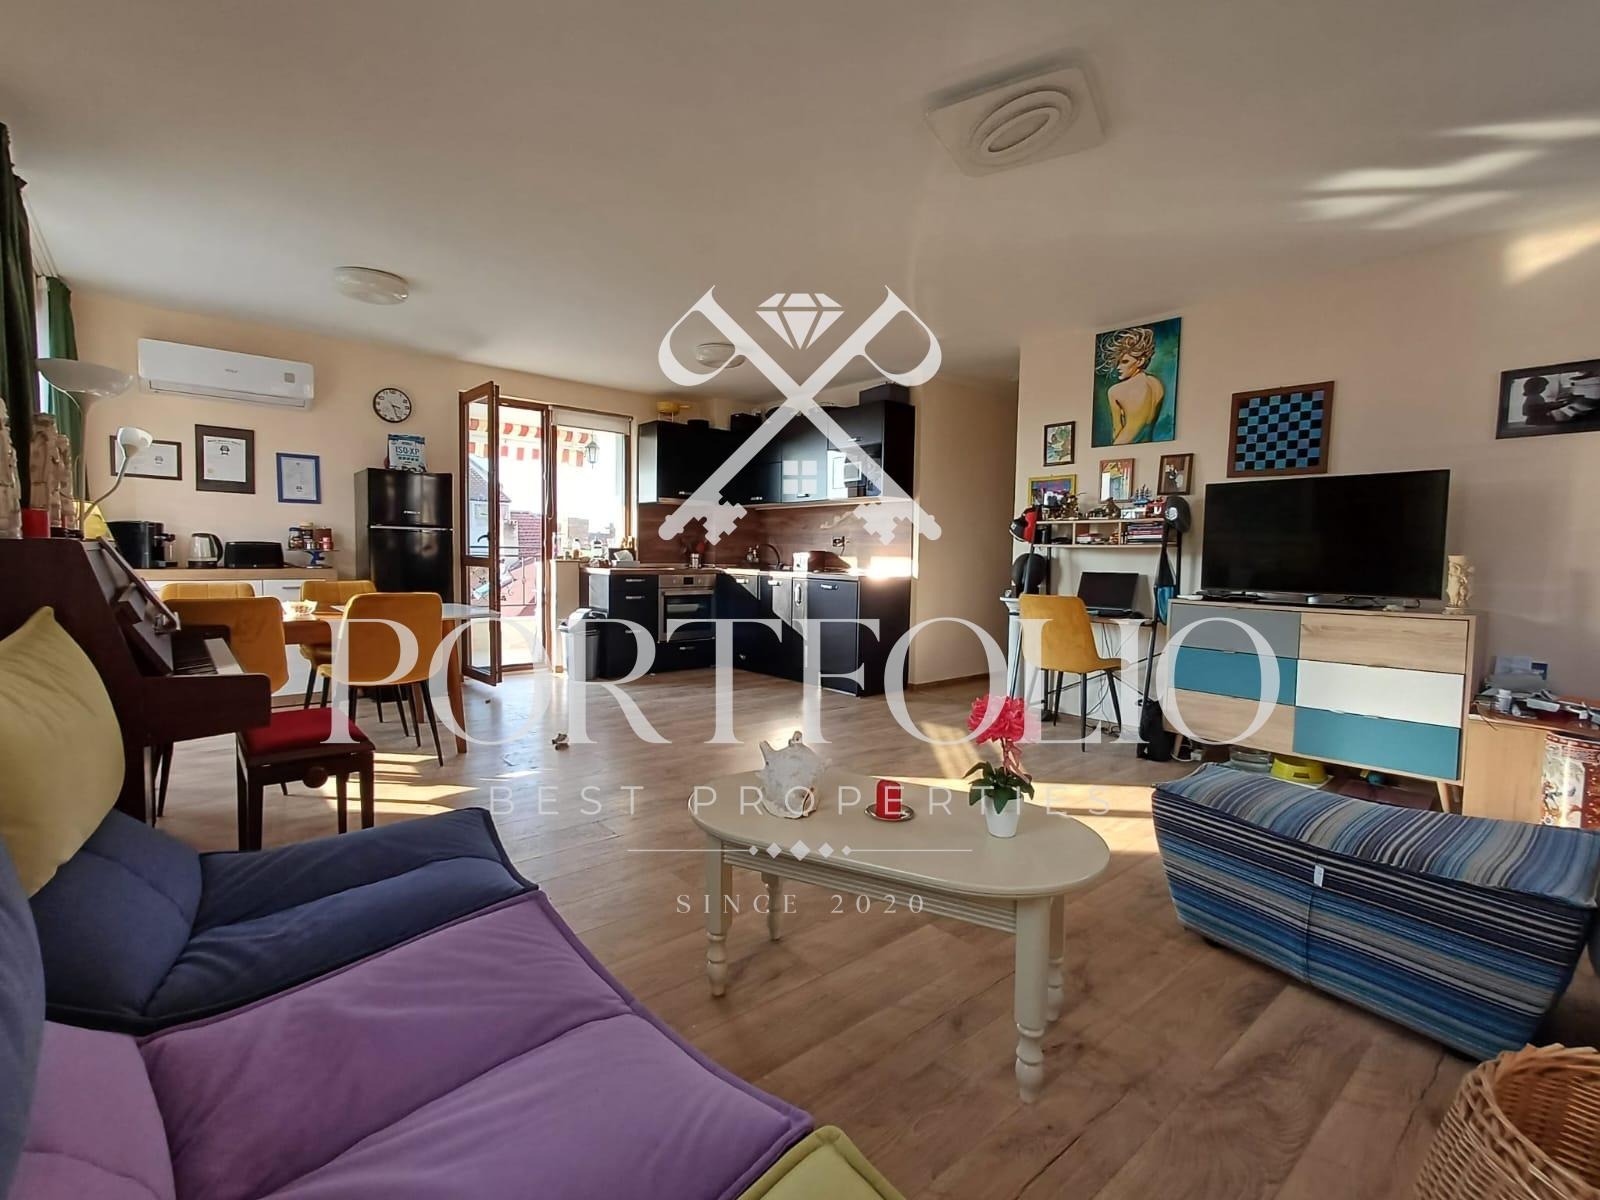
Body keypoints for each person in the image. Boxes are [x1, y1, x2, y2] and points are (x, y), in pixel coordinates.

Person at [1099, 326, 1164, 444]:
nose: (1118, 367)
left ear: (1140, 361)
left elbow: (1116, 430)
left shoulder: (1115, 391)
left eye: (1125, 362)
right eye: (1117, 362)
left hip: (1122, 445)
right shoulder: (1156, 384)